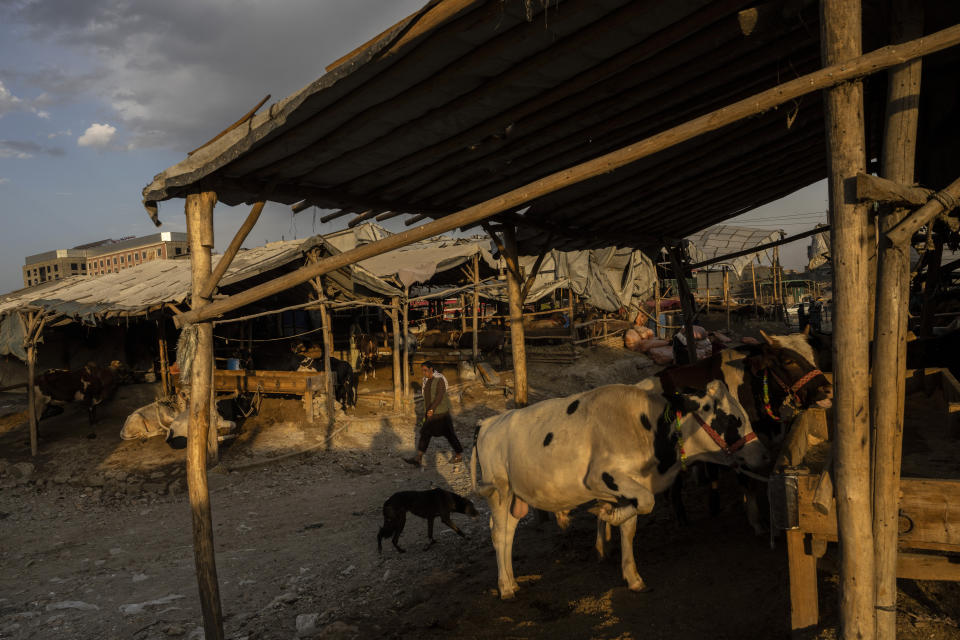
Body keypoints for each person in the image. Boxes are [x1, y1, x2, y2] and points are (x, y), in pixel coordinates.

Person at [404, 361, 463, 466]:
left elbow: (440, 396)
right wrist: (428, 410)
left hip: (441, 413)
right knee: (425, 433)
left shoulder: (439, 379)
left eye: (425, 370)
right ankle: (418, 458)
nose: (423, 372)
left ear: (431, 369)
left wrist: (432, 409)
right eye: (422, 370)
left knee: (450, 434)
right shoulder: (426, 380)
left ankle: (459, 455)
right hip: (431, 412)